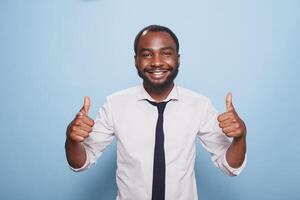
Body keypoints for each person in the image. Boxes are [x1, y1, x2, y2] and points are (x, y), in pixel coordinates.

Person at [65, 25, 247, 200]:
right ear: (136, 60)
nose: (157, 62)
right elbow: (81, 162)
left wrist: (240, 138)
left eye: (166, 53)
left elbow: (230, 166)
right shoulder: (115, 104)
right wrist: (72, 140)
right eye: (147, 55)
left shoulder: (199, 105)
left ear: (178, 59)